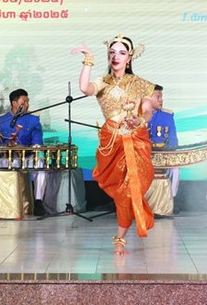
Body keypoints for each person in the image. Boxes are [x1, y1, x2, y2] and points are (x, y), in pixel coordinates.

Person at [74, 34, 155, 255]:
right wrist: (88, 60)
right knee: (121, 192)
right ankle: (121, 234)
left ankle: (120, 237)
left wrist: (140, 120)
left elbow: (147, 110)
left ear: (129, 58)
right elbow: (84, 88)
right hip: (111, 142)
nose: (115, 56)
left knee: (132, 189)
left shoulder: (141, 84)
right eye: (112, 52)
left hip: (135, 140)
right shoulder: (103, 82)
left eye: (121, 52)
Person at [0, 89, 46, 215]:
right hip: (6, 158)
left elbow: (37, 141)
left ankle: (38, 202)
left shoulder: (33, 120)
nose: (27, 104)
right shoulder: (1, 120)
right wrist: (7, 145)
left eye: (27, 101)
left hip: (25, 157)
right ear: (14, 103)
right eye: (24, 102)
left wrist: (31, 147)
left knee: (40, 164)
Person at [147, 85, 180, 201]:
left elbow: (173, 139)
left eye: (161, 97)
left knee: (175, 167)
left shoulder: (167, 116)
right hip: (145, 155)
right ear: (148, 98)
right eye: (158, 97)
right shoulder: (139, 116)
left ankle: (171, 199)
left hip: (164, 153)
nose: (161, 100)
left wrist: (167, 150)